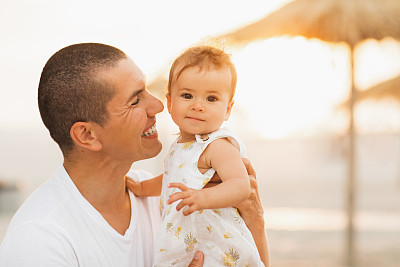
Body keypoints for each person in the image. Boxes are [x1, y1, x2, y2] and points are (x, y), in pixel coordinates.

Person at [0, 43, 269, 267]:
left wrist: (254, 222)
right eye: (135, 100)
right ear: (88, 135)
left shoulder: (161, 196)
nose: (159, 106)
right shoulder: (39, 240)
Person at [128, 46, 267, 266]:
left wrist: (202, 198)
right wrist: (143, 188)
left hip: (220, 249)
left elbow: (241, 186)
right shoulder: (180, 146)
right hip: (190, 243)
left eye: (211, 99)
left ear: (228, 109)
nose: (198, 106)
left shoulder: (216, 145)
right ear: (170, 102)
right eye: (187, 95)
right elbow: (174, 180)